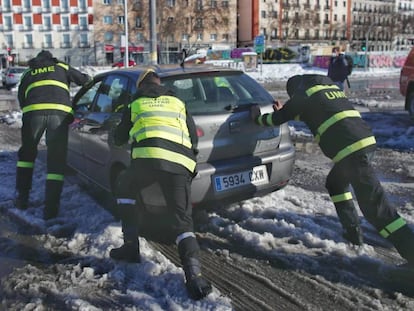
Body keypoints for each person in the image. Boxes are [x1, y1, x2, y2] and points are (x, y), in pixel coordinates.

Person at [250, 74, 414, 266]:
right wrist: (287, 109)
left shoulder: (303, 95)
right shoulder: (328, 89)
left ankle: (410, 252)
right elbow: (311, 112)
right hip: (365, 143)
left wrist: (258, 119)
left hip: (351, 153)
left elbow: (277, 118)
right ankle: (352, 233)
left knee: (376, 208)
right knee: (335, 184)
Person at [110, 67, 212, 300]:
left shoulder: (135, 103)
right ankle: (194, 277)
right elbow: (193, 136)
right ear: (159, 84)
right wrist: (189, 160)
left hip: (145, 162)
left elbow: (119, 138)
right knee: (182, 220)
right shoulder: (177, 102)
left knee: (124, 188)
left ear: (141, 87)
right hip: (178, 164)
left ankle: (130, 246)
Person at [15, 50, 90, 220]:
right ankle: (51, 208)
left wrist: (30, 112)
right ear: (51, 58)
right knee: (56, 160)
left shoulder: (28, 72)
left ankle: (22, 198)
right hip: (59, 115)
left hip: (33, 114)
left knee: (26, 156)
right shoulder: (61, 67)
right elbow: (84, 81)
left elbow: (21, 97)